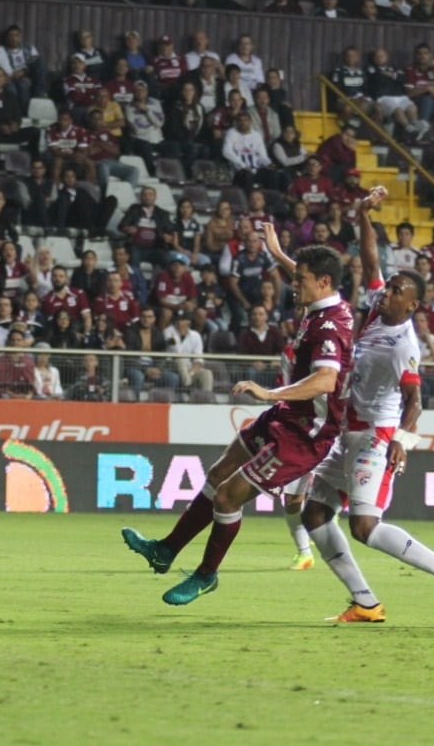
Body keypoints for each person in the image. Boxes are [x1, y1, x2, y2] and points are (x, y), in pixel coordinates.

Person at [121, 242, 355, 606]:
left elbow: (326, 380)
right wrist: (278, 253)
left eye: (300, 279)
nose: (294, 284)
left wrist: (268, 392)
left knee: (229, 495)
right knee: (218, 473)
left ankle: (206, 575)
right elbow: (307, 272)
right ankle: (165, 550)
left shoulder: (327, 327)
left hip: (305, 435)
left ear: (323, 282)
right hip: (287, 418)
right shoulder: (326, 300)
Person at [293, 186, 434, 623]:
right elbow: (372, 259)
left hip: (376, 437)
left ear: (413, 306)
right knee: (315, 513)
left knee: (364, 528)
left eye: (396, 291)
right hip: (349, 432)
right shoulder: (379, 305)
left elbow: (416, 399)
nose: (387, 291)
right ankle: (364, 602)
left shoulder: (404, 347)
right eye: (390, 286)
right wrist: (362, 214)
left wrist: (403, 441)